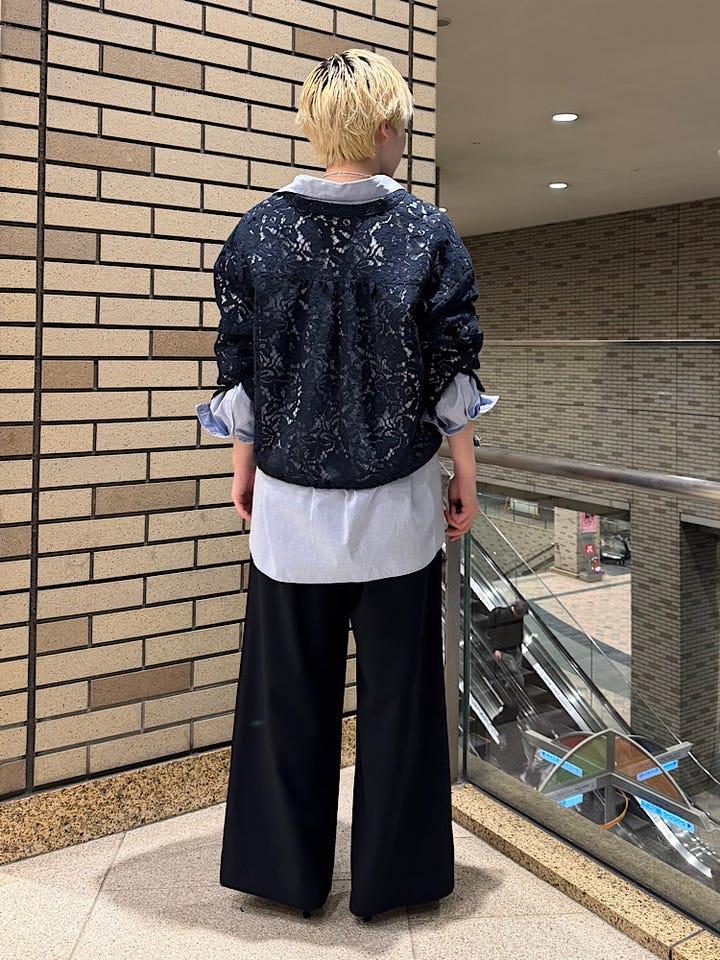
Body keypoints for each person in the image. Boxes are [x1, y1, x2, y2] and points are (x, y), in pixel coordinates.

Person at [195, 49, 498, 922]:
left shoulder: (256, 232)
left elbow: (242, 368)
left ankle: (282, 876)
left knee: (284, 699)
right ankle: (394, 881)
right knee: (402, 701)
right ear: (386, 126)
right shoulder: (427, 231)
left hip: (289, 510)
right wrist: (465, 469)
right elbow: (449, 365)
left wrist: (244, 468)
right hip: (398, 507)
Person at [483, 600, 529, 691]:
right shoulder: (503, 616)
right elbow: (497, 633)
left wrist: (519, 645)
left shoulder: (518, 617)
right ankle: (521, 688)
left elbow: (519, 630)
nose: (522, 617)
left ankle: (509, 686)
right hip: (504, 650)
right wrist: (496, 649)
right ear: (517, 612)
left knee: (517, 667)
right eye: (522, 615)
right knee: (514, 670)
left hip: (515, 647)